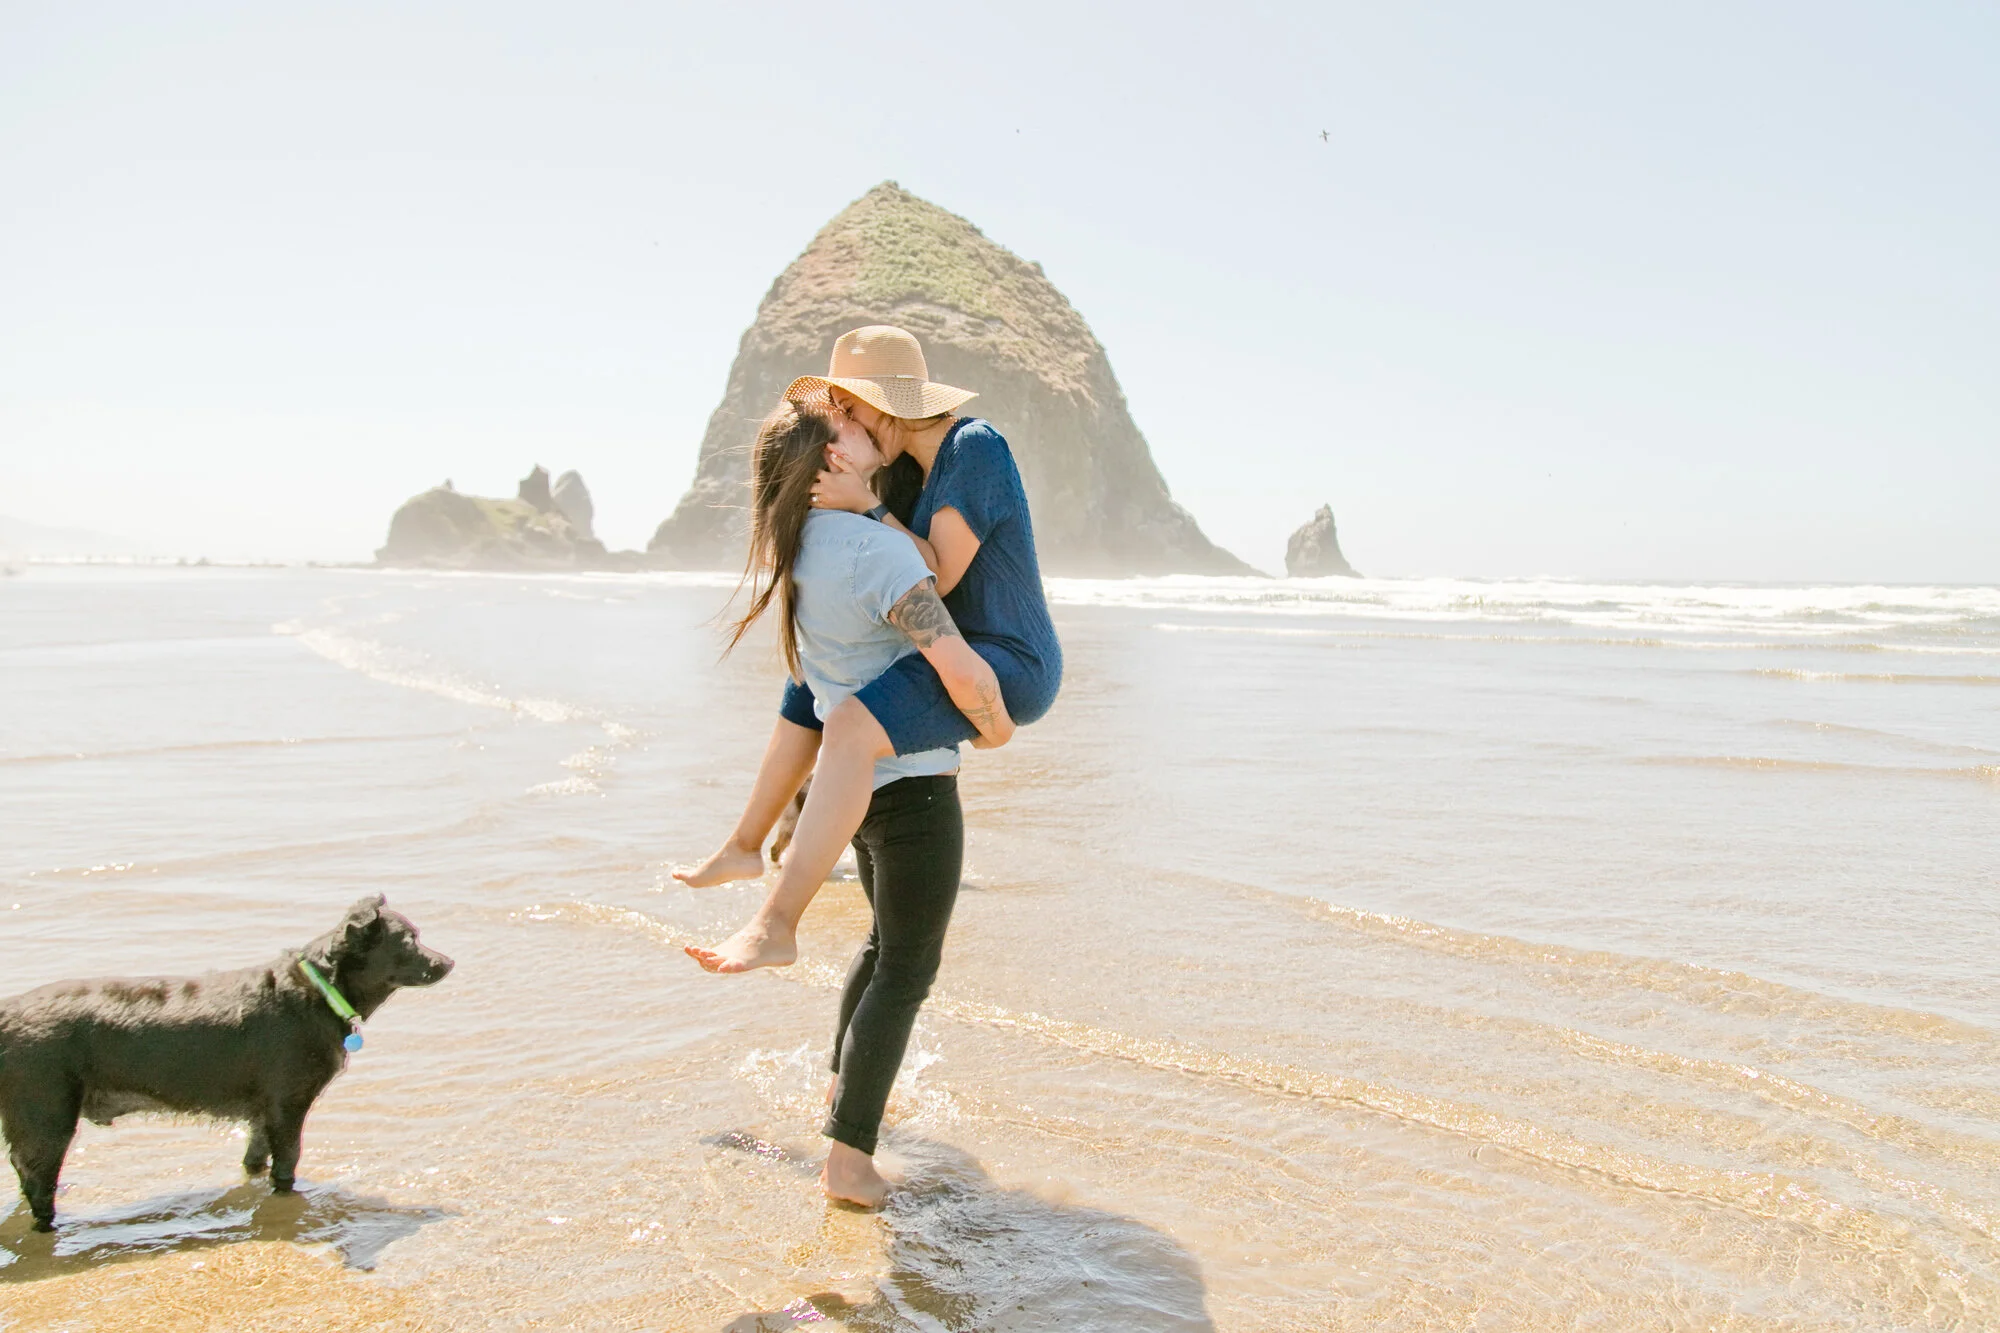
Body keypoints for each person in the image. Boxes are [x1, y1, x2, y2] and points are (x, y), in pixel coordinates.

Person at [686, 394, 1004, 1204]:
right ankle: (849, 1160)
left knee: (882, 946)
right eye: (855, 427)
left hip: (850, 799)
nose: (872, 426)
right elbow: (957, 664)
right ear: (833, 458)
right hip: (914, 788)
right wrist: (995, 723)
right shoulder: (877, 554)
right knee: (907, 965)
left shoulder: (804, 549)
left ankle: (841, 1092)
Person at [679, 326, 1063, 973]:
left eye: (849, 410)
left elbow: (935, 574)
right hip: (953, 650)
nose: (842, 425)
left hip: (1010, 661)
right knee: (807, 681)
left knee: (851, 724)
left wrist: (867, 505)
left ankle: (776, 920)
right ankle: (747, 843)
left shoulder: (974, 447)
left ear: (886, 404)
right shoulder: (904, 470)